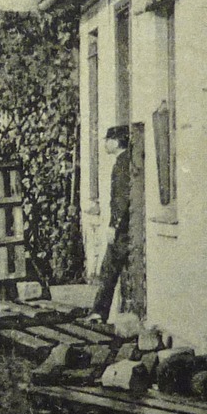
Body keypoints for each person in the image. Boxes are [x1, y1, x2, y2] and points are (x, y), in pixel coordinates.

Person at [91, 125, 133, 321]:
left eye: (107, 139)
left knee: (108, 268)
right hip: (126, 226)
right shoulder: (126, 160)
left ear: (116, 142)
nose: (105, 143)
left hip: (123, 228)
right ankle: (100, 311)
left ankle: (99, 312)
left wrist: (113, 226)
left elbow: (121, 199)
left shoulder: (122, 164)